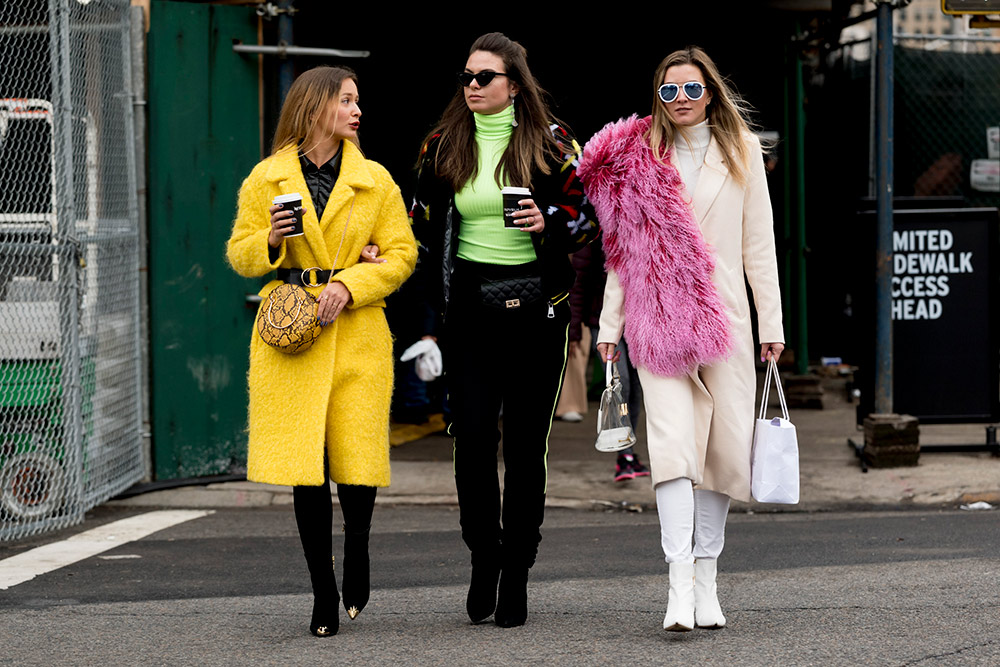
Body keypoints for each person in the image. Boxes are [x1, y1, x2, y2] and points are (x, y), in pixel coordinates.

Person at [579, 46, 785, 632]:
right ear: (657, 100)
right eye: (669, 92)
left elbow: (759, 247)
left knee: (722, 452)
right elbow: (621, 254)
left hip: (726, 322)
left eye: (692, 90)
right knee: (671, 449)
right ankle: (676, 585)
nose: (681, 101)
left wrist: (772, 326)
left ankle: (707, 577)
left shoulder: (743, 151)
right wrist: (610, 327)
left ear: (711, 92)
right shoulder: (640, 160)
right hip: (657, 318)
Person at [410, 32, 598, 628]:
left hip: (537, 309)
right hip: (468, 308)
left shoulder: (552, 141)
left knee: (524, 448)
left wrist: (550, 221)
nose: (471, 86)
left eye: (483, 77)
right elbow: (416, 222)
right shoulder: (443, 144)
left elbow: (592, 214)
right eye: (465, 76)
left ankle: (517, 569)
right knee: (469, 441)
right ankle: (484, 557)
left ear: (513, 83)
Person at [226, 66, 417, 637]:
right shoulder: (268, 178)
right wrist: (272, 240)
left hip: (358, 331)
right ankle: (323, 593)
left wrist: (351, 283)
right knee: (305, 471)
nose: (358, 110)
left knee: (356, 462)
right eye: (347, 101)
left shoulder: (375, 179)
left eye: (359, 101)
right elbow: (240, 253)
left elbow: (404, 254)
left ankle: (357, 550)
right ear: (315, 107)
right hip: (292, 335)